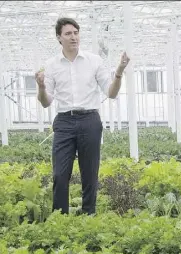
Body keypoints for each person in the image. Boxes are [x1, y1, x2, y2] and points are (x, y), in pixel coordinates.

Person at [35, 17, 131, 215]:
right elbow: (46, 102)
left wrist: (119, 72)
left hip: (90, 120)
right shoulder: (51, 65)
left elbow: (111, 93)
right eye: (68, 34)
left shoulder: (94, 61)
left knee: (90, 173)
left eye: (76, 33)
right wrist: (41, 87)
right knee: (60, 174)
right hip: (64, 122)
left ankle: (89, 215)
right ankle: (60, 217)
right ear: (59, 38)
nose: (73, 37)